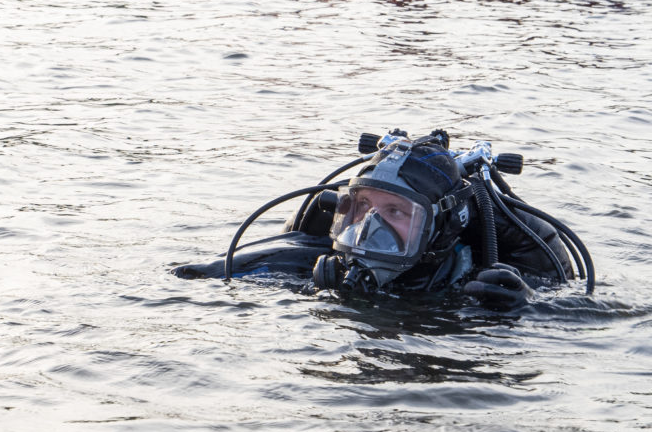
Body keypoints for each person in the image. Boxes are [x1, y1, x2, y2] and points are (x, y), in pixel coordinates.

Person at [172, 129, 593, 310]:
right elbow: (194, 276)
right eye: (363, 208)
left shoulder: (473, 285)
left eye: (395, 212)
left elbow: (577, 314)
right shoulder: (323, 266)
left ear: (437, 228)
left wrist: (524, 306)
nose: (371, 227)